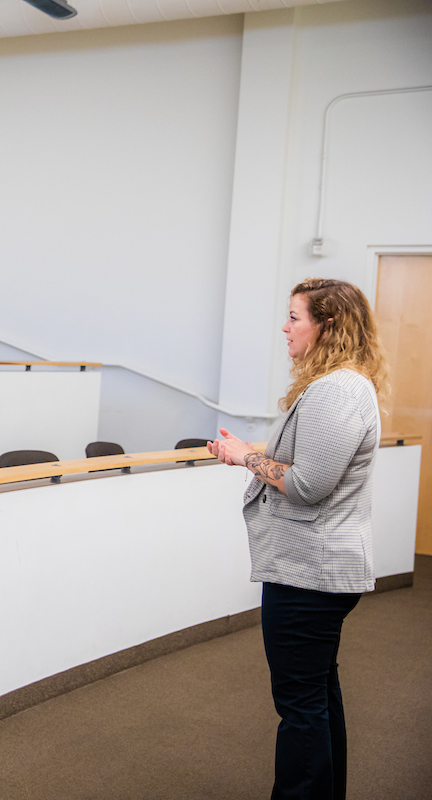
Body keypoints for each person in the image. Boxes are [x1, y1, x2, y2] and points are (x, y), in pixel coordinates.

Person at [208, 278, 388, 800]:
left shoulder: (336, 389)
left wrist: (245, 457)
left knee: (301, 706)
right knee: (316, 696)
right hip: (315, 570)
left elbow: (307, 486)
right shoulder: (343, 384)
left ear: (326, 325)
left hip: (310, 574)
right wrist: (255, 451)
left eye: (294, 317)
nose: (284, 328)